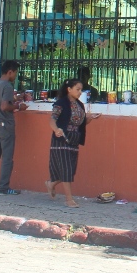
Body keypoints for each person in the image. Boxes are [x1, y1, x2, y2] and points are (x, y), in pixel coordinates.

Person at [46, 78, 100, 208]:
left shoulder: (80, 105)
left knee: (70, 170)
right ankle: (69, 199)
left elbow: (81, 123)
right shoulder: (61, 103)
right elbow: (52, 120)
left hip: (74, 139)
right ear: (69, 89)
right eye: (78, 89)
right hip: (62, 139)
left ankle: (51, 184)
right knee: (66, 169)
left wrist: (90, 118)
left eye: (81, 90)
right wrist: (56, 130)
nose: (80, 92)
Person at [0, 60, 27, 195]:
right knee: (7, 158)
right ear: (10, 72)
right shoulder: (7, 86)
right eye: (15, 73)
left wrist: (16, 98)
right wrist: (19, 106)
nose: (15, 76)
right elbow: (4, 106)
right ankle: (3, 188)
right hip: (5, 124)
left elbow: (1, 101)